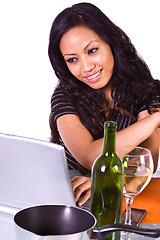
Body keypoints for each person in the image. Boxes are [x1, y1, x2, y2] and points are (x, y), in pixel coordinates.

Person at [48, 2, 160, 207]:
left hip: (122, 193)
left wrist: (103, 181)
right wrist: (156, 119)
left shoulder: (145, 90)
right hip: (70, 192)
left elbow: (144, 163)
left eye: (92, 50)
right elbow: (91, 156)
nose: (86, 67)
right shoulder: (64, 96)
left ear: (111, 43)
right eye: (72, 60)